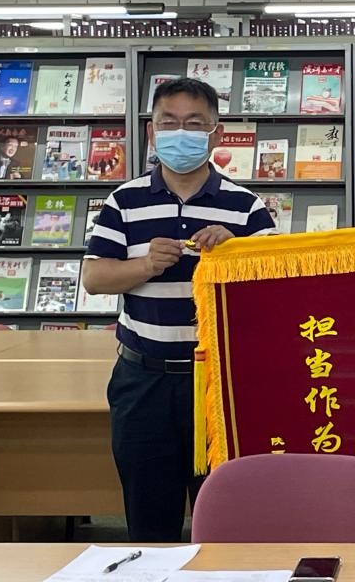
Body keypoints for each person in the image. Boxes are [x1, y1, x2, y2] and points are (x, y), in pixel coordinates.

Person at [82, 78, 275, 542]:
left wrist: (237, 252)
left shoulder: (246, 207)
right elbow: (94, 278)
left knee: (226, 520)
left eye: (194, 123)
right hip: (142, 381)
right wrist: (146, 265)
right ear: (152, 132)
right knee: (149, 521)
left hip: (220, 385)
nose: (180, 133)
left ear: (216, 133)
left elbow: (273, 293)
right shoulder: (123, 201)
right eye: (169, 123)